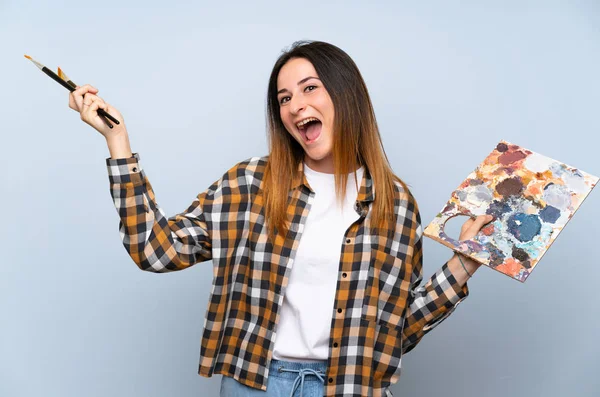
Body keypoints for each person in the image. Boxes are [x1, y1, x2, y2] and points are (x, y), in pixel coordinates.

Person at [69, 41, 492, 397]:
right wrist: (117, 140)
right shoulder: (251, 183)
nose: (295, 105)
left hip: (347, 387)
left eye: (310, 88)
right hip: (256, 384)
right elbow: (154, 250)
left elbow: (396, 332)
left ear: (346, 95)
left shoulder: (396, 204)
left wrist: (462, 266)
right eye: (284, 98)